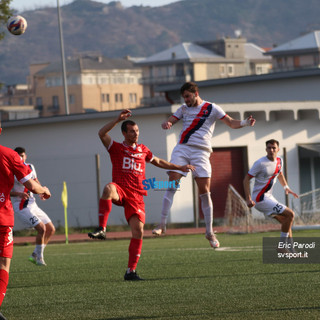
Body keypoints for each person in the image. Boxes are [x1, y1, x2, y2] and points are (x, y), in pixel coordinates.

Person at [88, 109, 194, 281]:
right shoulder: (116, 148)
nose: (135, 134)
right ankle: (102, 229)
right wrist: (116, 119)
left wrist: (179, 167)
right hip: (120, 190)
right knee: (108, 188)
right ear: (124, 133)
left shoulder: (143, 150)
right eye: (132, 131)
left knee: (138, 233)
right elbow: (101, 133)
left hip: (136, 196)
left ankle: (131, 271)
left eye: (137, 131)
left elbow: (158, 161)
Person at [152, 81, 256, 248]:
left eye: (187, 96)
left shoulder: (212, 108)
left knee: (205, 190)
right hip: (183, 149)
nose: (185, 100)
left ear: (196, 93)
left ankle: (209, 231)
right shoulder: (183, 109)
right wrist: (168, 123)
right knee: (172, 181)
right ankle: (162, 224)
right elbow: (172, 118)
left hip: (201, 152)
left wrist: (244, 123)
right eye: (183, 97)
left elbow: (230, 122)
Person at [0, 121, 51, 320]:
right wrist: (44, 190)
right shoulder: (9, 155)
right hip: (3, 218)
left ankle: (38, 255)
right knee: (3, 265)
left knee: (48, 228)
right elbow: (31, 184)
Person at [243, 139, 299, 248]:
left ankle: (292, 251)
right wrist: (248, 198)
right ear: (266, 149)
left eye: (273, 148)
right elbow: (246, 179)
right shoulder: (260, 163)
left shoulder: (279, 161)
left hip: (269, 197)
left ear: (278, 149)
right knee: (290, 214)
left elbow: (280, 174)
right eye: (269, 148)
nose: (271, 150)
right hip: (260, 199)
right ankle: (282, 248)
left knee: (286, 221)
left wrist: (286, 187)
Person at [10, 147, 56, 266]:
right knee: (42, 228)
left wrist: (42, 191)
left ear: (26, 156)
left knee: (51, 229)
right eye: (18, 155)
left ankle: (35, 254)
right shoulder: (10, 169)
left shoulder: (30, 166)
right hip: (21, 206)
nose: (21, 157)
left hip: (32, 203)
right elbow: (5, 191)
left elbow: (36, 181)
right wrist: (19, 194)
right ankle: (39, 258)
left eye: (23, 155)